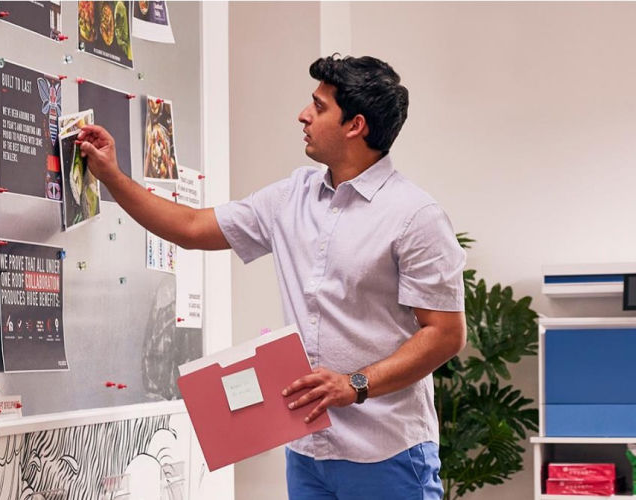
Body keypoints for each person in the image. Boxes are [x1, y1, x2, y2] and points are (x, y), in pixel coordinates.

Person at [78, 54, 466, 500]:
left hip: (386, 452)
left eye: (319, 107)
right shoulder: (291, 197)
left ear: (355, 126)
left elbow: (445, 334)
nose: (303, 115)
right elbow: (190, 228)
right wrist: (111, 176)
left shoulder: (415, 216)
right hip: (308, 451)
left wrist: (355, 384)